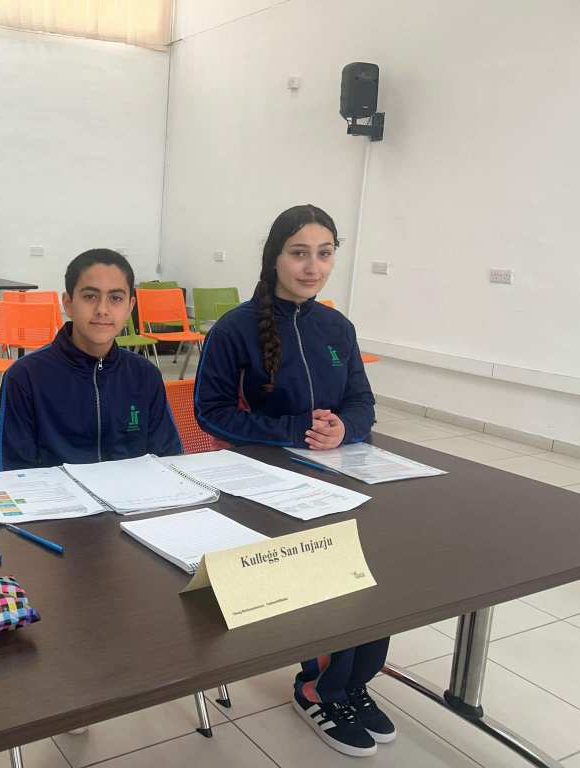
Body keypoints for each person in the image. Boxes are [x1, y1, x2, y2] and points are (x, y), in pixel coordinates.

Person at [193, 204, 390, 757]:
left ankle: (354, 683)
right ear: (275, 257)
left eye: (324, 254)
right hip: (268, 478)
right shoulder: (235, 328)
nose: (312, 267)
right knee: (328, 577)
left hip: (342, 470)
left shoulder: (337, 327)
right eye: (299, 253)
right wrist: (292, 429)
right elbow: (210, 412)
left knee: (373, 570)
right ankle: (318, 688)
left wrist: (344, 427)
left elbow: (362, 401)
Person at [0, 248, 182, 470]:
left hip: (135, 491)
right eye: (90, 296)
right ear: (68, 303)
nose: (102, 309)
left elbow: (169, 458)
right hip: (57, 492)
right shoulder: (25, 377)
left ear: (130, 307)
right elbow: (14, 473)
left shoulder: (145, 375)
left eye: (115, 298)